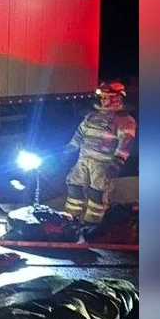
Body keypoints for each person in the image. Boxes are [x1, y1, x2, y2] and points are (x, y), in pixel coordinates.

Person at [63, 81, 137, 225]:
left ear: (117, 98)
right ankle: (69, 220)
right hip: (83, 160)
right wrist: (68, 152)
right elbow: (78, 135)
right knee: (74, 186)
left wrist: (116, 164)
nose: (103, 100)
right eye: (102, 97)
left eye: (106, 97)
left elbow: (125, 145)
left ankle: (92, 225)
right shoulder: (91, 117)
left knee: (97, 194)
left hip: (103, 164)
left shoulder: (124, 120)